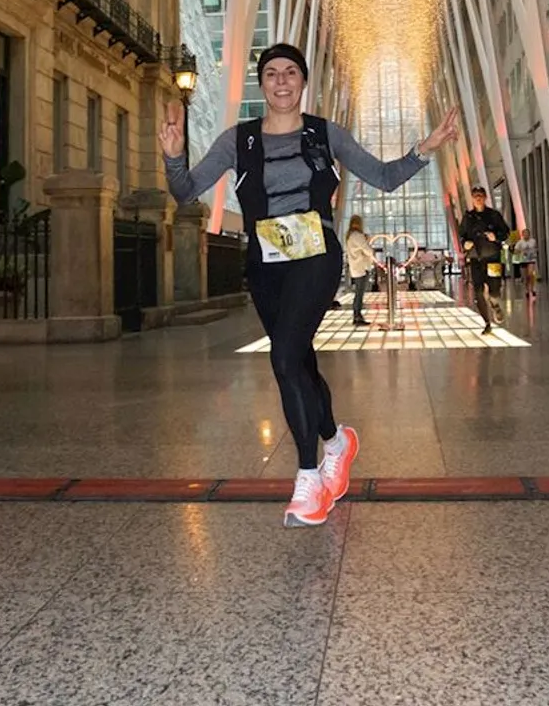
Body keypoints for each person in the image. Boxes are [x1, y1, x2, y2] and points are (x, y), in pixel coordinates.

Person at [162, 43, 456, 527]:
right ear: (263, 83)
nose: (281, 81)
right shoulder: (239, 140)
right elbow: (185, 191)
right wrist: (174, 157)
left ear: (303, 82)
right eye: (272, 73)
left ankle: (308, 480)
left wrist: (425, 148)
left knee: (282, 358)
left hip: (316, 255)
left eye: (291, 72)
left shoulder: (325, 133)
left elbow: (382, 177)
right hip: (265, 263)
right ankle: (338, 442)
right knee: (298, 359)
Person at [458, 187, 510, 335]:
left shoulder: (494, 215)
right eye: (475, 196)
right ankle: (487, 322)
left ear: (485, 197)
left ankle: (495, 305)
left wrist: (496, 236)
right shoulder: (468, 217)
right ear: (472, 199)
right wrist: (465, 243)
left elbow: (506, 233)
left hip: (493, 257)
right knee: (478, 292)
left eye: (480, 195)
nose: (478, 198)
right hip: (476, 259)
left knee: (494, 290)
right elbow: (461, 235)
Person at [343, 215, 375, 328]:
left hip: (355, 267)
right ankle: (357, 316)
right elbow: (368, 250)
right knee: (359, 294)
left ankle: (357, 316)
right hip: (361, 268)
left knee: (358, 293)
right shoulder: (357, 235)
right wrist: (368, 243)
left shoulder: (350, 236)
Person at [511, 227, 539, 299]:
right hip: (523, 260)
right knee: (526, 277)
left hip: (531, 259)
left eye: (528, 233)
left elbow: (536, 248)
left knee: (530, 274)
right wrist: (521, 252)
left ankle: (532, 289)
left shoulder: (533, 241)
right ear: (523, 235)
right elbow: (515, 251)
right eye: (525, 234)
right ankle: (527, 290)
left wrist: (534, 252)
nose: (526, 235)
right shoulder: (520, 243)